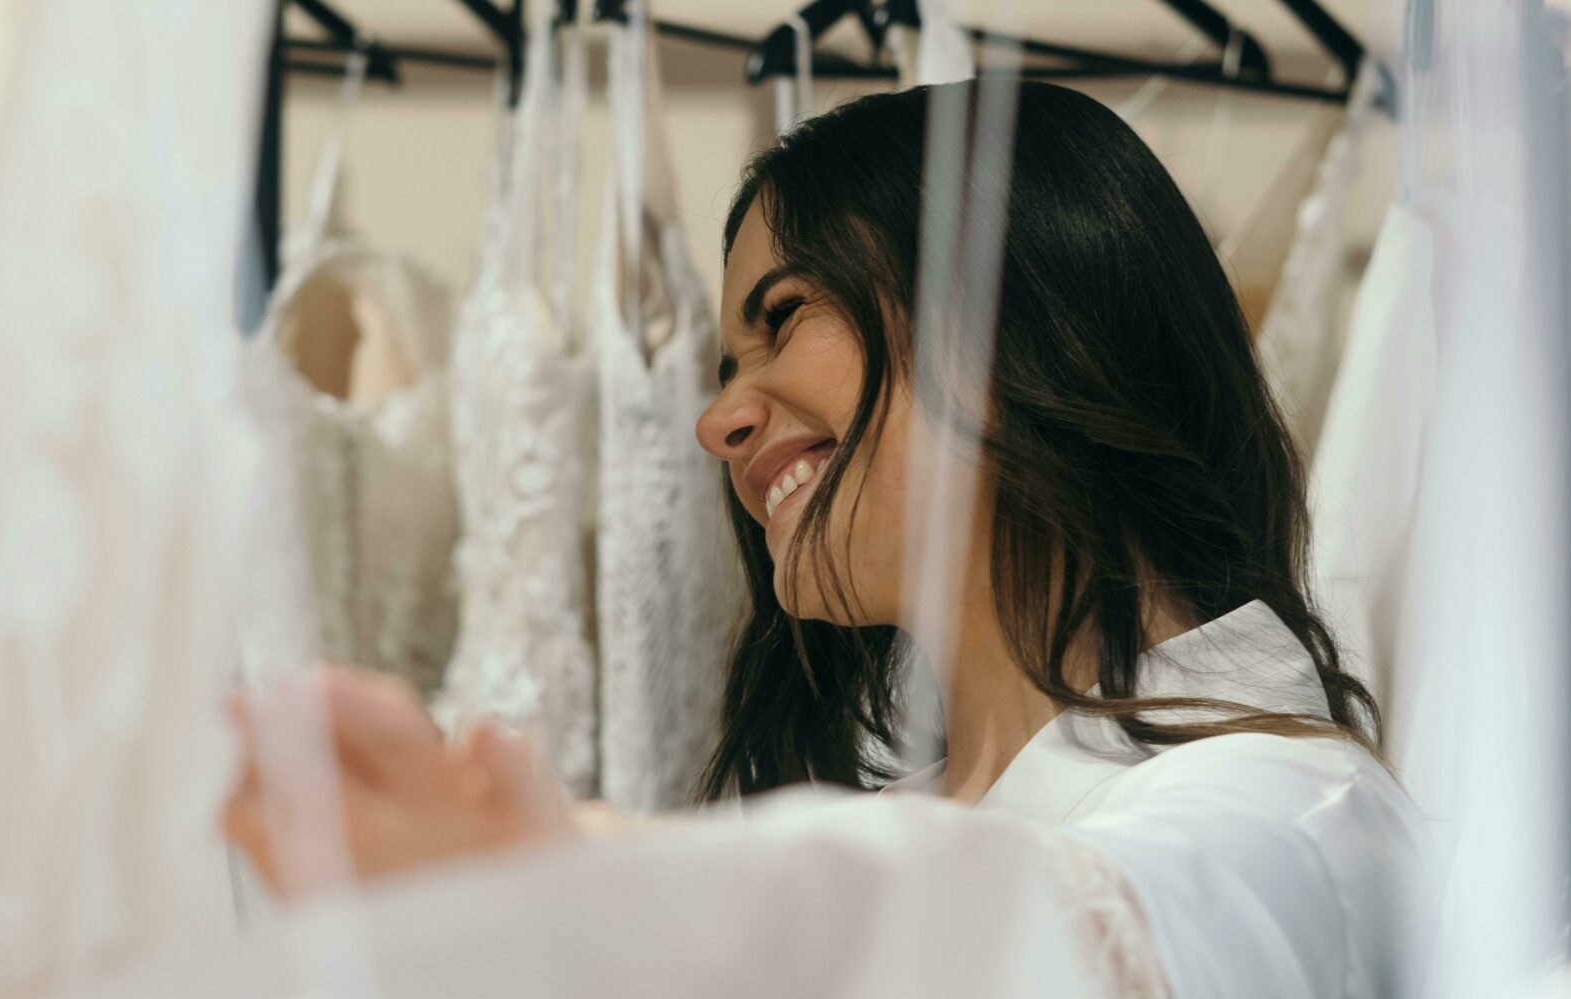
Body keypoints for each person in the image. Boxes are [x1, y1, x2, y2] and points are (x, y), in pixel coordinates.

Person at [222, 81, 1435, 998]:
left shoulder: (1296, 813)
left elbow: (1027, 934)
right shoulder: (912, 789)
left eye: (785, 318)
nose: (716, 420)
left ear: (1008, 312)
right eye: (722, 365)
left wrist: (571, 872)